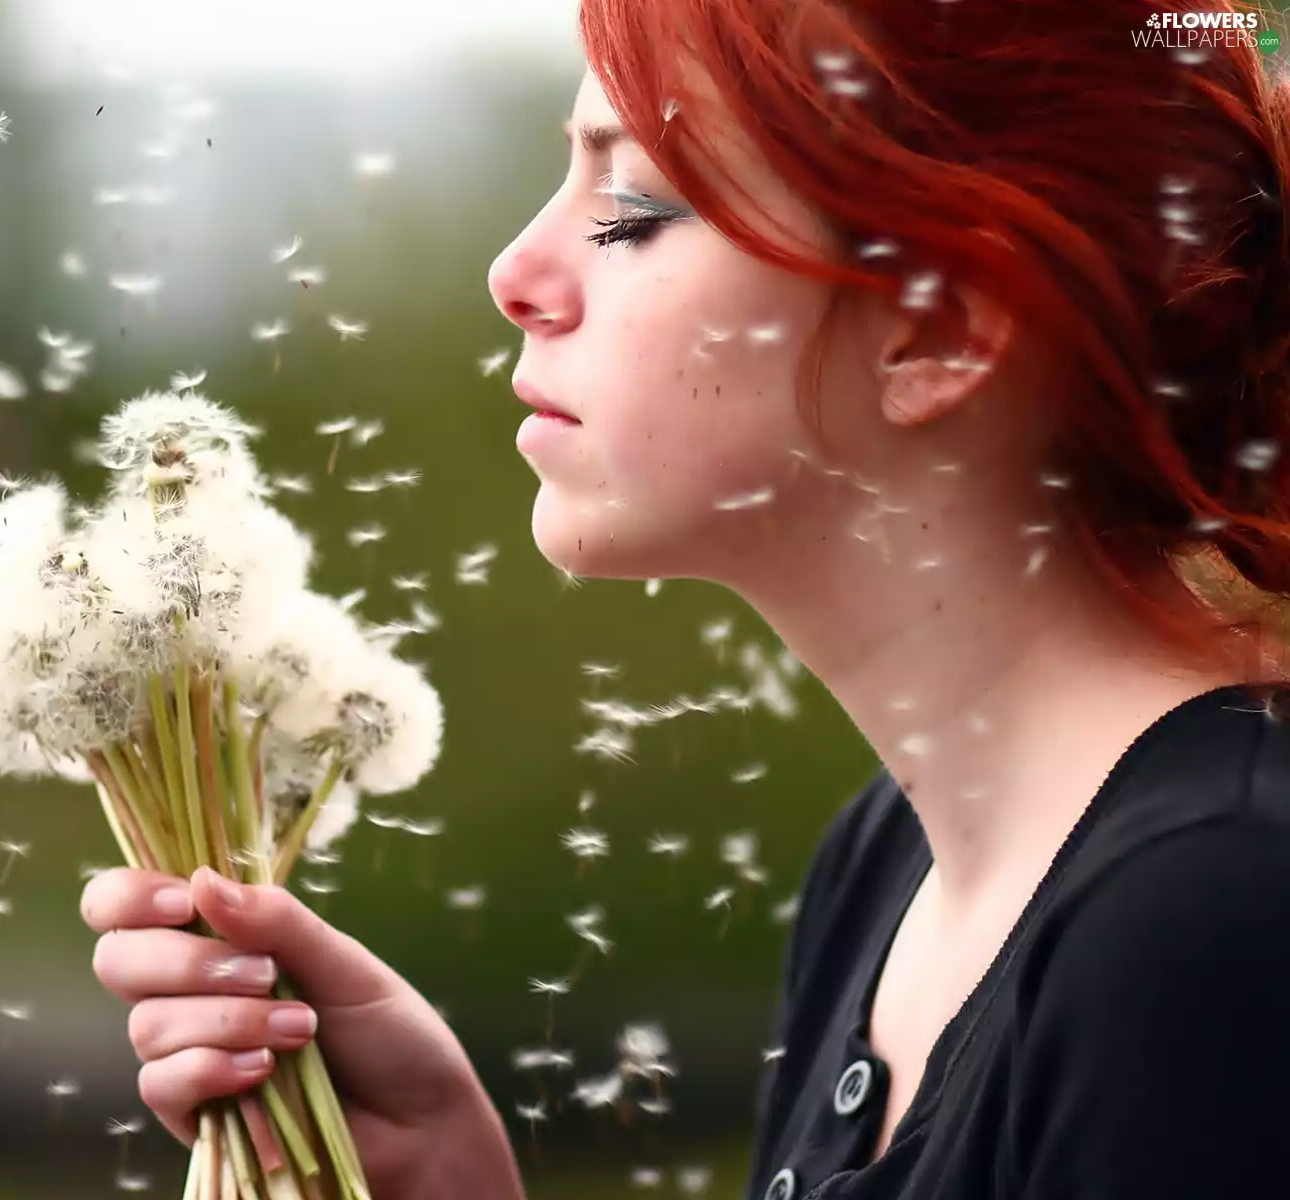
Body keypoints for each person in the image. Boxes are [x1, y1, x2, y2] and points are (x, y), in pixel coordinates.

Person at [80, 1, 1290, 1196]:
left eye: (639, 204)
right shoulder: (891, 866)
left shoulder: (1207, 925)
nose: (517, 273)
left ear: (937, 332)